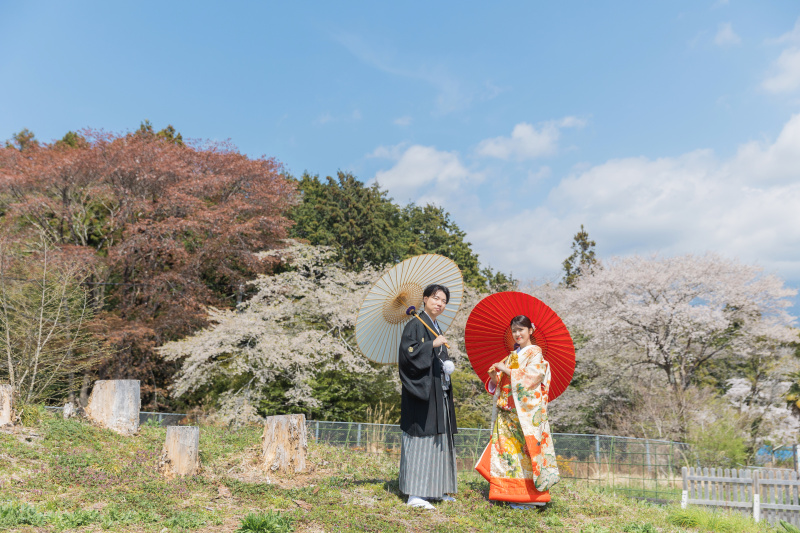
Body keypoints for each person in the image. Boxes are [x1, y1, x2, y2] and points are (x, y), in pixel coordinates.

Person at [475, 315, 559, 508]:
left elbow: (533, 377)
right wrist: (494, 377)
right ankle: (511, 494)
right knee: (507, 455)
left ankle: (530, 498)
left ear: (531, 330)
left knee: (526, 455)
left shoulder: (534, 352)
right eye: (514, 330)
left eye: (521, 329)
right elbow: (500, 384)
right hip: (507, 411)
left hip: (523, 414)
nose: (517, 334)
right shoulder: (513, 355)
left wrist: (507, 370)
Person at [398, 284, 458, 510]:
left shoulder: (434, 326)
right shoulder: (414, 324)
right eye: (435, 298)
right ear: (424, 299)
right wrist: (432, 344)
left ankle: (435, 489)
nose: (439, 303)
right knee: (422, 438)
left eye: (443, 300)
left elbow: (437, 358)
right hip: (421, 393)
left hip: (438, 390)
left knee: (440, 438)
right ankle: (416, 493)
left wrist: (446, 365)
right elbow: (408, 356)